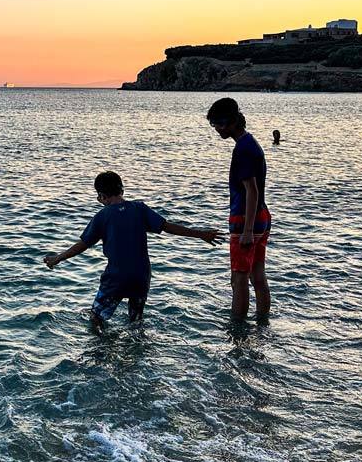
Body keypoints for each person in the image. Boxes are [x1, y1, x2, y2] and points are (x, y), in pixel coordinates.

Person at [44, 171, 223, 328]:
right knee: (135, 322)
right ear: (122, 190)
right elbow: (168, 227)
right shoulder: (140, 209)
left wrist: (57, 258)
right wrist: (201, 234)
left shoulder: (102, 216)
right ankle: (136, 351)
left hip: (116, 278)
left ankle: (102, 349)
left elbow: (83, 244)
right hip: (141, 277)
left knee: (96, 319)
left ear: (101, 196)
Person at [208, 98, 272, 322]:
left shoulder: (243, 150)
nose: (216, 129)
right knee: (258, 276)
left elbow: (251, 191)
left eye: (217, 124)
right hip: (262, 217)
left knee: (239, 279)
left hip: (246, 219)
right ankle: (263, 322)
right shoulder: (251, 143)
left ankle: (238, 332)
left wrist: (246, 231)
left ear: (231, 122)